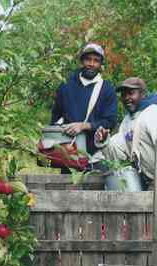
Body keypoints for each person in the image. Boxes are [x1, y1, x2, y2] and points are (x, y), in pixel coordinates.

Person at [50, 43, 118, 171]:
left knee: (95, 189)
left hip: (96, 157)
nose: (91, 64)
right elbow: (55, 118)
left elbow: (110, 121)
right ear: (82, 61)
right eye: (88, 59)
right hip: (69, 156)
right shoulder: (66, 86)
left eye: (96, 60)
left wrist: (83, 126)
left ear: (100, 65)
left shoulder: (107, 89)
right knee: (68, 189)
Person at [95, 77, 157, 189]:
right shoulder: (128, 120)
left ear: (143, 94)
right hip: (147, 181)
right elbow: (119, 153)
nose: (126, 98)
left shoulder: (152, 113)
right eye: (123, 95)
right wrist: (104, 142)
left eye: (131, 93)